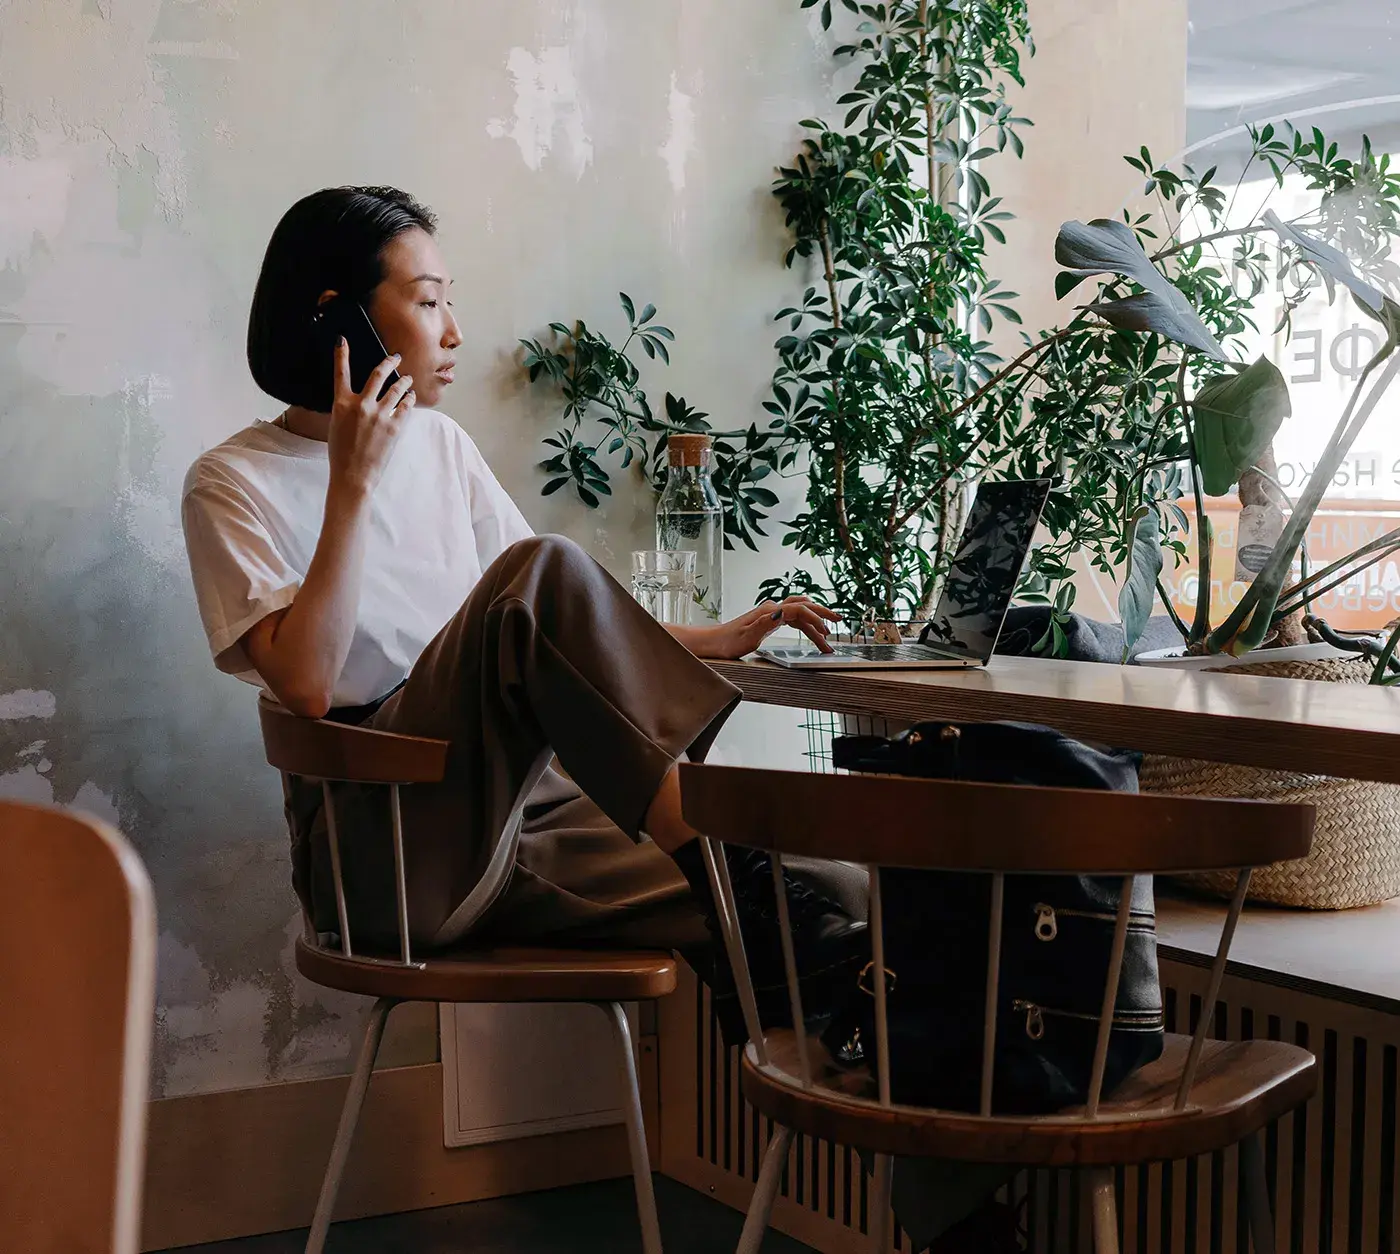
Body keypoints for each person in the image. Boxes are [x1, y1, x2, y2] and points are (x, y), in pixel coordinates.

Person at [180, 185, 868, 1041]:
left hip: (527, 822)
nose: (454, 332)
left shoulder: (441, 446)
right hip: (389, 850)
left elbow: (562, 628)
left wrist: (710, 638)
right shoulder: (230, 482)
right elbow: (309, 686)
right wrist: (351, 485)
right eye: (428, 302)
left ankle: (789, 969)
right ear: (337, 321)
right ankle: (723, 867)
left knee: (836, 885)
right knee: (541, 566)